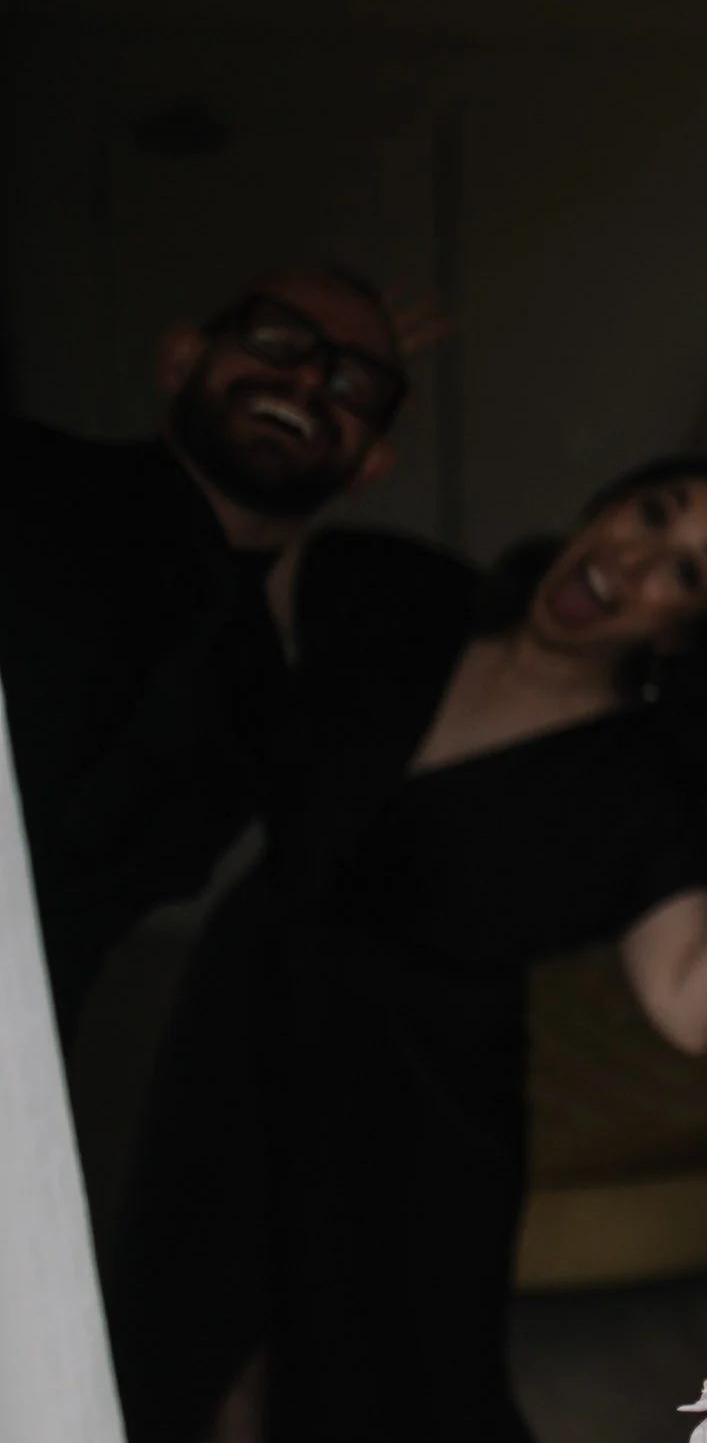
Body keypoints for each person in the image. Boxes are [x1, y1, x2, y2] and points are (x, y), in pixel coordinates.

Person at [104, 456, 707, 1443]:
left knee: (400, 1417)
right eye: (651, 513)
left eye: (686, 570)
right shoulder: (395, 600)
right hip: (243, 1031)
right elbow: (216, 600)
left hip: (418, 1121)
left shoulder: (632, 784)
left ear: (680, 630)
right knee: (201, 1366)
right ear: (602, 504)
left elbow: (689, 1007)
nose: (635, 558)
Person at [0, 268, 405, 1038]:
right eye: (278, 340)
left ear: (371, 464)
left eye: (353, 382)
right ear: (182, 359)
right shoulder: (21, 477)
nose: (311, 376)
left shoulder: (265, 700)